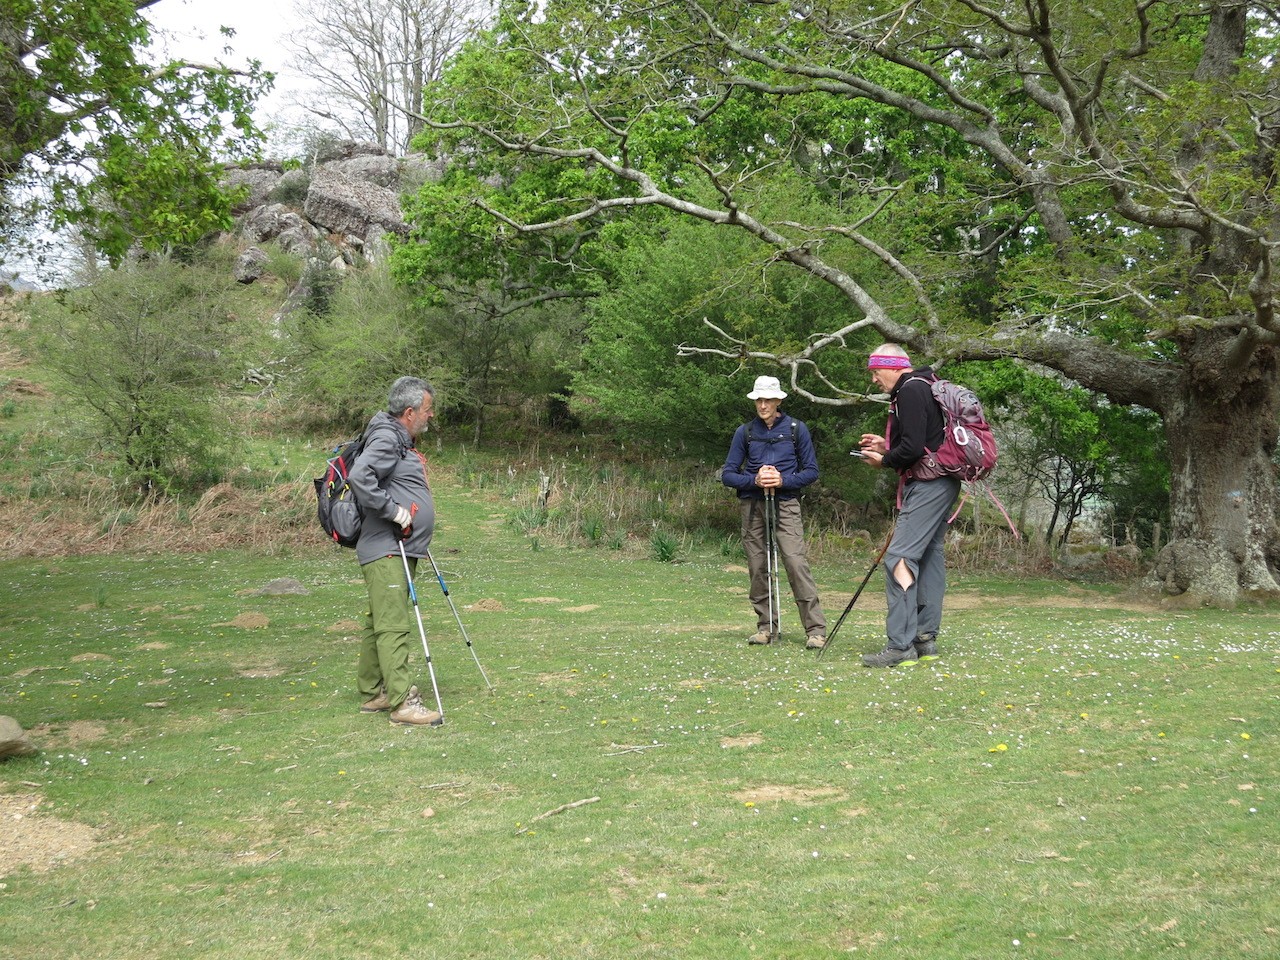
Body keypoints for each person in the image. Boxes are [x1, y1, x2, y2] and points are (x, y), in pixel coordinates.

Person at [856, 345, 961, 667]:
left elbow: (914, 448)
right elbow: (923, 441)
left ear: (893, 367)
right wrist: (887, 445)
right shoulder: (924, 386)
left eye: (876, 371)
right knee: (929, 556)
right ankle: (925, 639)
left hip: (929, 484)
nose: (874, 379)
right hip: (943, 482)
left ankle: (900, 646)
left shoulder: (911, 390)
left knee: (899, 558)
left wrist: (884, 460)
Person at [347, 376, 443, 725]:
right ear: (409, 411)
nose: (431, 416)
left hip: (398, 547)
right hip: (387, 547)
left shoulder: (396, 437)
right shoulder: (388, 437)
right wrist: (393, 511)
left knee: (379, 622)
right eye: (428, 410)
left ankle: (374, 693)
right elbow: (360, 477)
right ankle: (402, 704)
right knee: (393, 625)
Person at [721, 375, 828, 649]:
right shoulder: (744, 432)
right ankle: (765, 626)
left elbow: (811, 472)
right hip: (752, 505)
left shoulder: (796, 429)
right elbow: (729, 474)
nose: (763, 405)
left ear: (779, 400)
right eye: (759, 399)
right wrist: (754, 480)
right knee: (758, 566)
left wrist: (782, 481)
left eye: (767, 399)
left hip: (786, 503)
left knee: (795, 562)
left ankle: (815, 630)